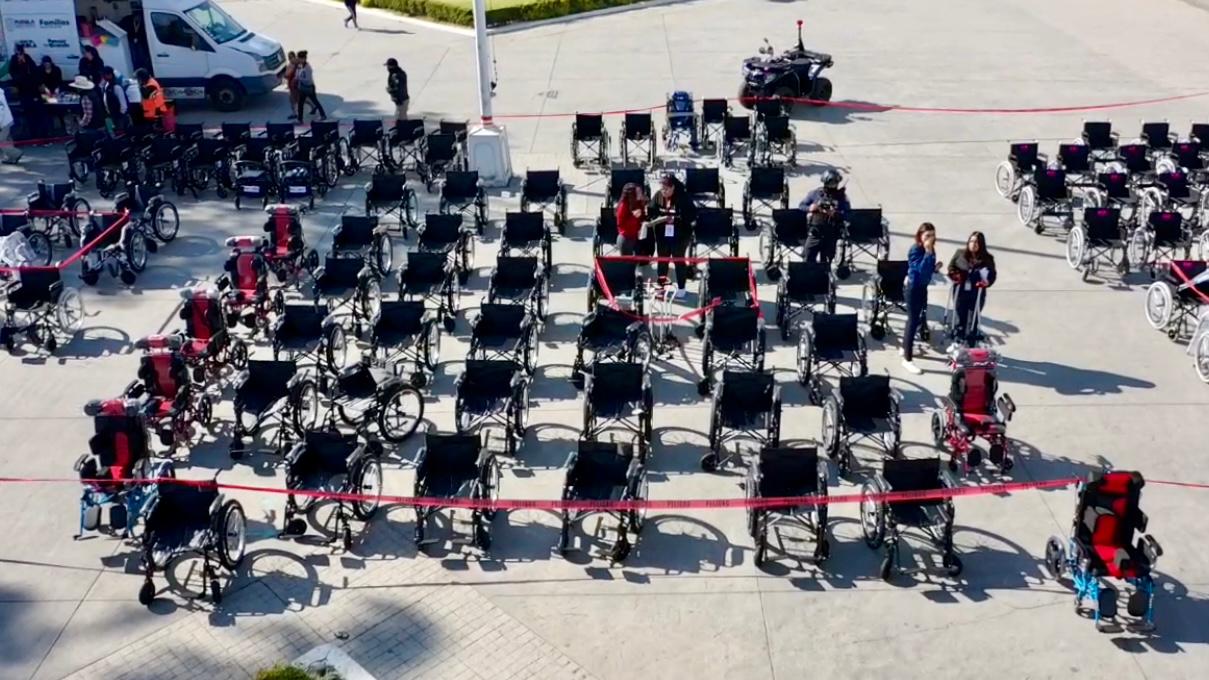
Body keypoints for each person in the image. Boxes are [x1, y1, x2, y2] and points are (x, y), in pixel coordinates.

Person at [646, 174, 696, 298]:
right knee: (662, 260)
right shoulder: (658, 196)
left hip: (680, 235)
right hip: (662, 234)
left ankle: (681, 287)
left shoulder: (683, 197)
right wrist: (659, 218)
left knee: (678, 260)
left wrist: (677, 219)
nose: (664, 192)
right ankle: (661, 286)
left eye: (666, 189)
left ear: (673, 187)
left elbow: (692, 215)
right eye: (662, 189)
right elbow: (651, 212)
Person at [902, 222, 942, 375]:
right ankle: (907, 359)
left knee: (918, 317)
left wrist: (935, 268)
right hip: (913, 288)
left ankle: (905, 346)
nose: (930, 239)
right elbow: (920, 269)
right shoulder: (916, 250)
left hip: (923, 287)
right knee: (912, 321)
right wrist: (928, 252)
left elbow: (927, 270)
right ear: (920, 236)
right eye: (927, 236)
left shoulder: (930, 250)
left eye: (932, 236)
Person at [947, 231, 997, 348]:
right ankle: (959, 340)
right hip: (961, 291)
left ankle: (971, 344)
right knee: (961, 316)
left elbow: (992, 275)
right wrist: (954, 275)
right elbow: (951, 267)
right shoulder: (960, 254)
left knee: (973, 319)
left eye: (977, 242)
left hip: (976, 293)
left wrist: (987, 282)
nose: (973, 244)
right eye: (972, 241)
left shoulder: (987, 259)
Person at [797, 169, 850, 264]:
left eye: (835, 183)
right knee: (807, 258)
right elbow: (801, 206)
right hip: (815, 233)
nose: (833, 186)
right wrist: (810, 208)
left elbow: (848, 214)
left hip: (831, 234)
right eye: (830, 183)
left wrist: (835, 213)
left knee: (827, 262)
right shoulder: (815, 194)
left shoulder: (841, 197)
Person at [615, 183, 648, 256]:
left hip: (634, 237)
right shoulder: (623, 206)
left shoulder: (637, 203)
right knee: (627, 261)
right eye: (638, 192)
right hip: (625, 239)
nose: (641, 194)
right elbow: (621, 224)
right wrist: (634, 217)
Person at [294, 51, 326, 122]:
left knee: (315, 101)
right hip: (303, 88)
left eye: (300, 58)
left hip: (309, 88)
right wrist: (297, 77)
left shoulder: (308, 68)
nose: (298, 60)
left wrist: (299, 78)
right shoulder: (300, 66)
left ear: (304, 59)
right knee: (300, 104)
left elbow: (307, 79)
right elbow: (297, 74)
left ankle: (323, 115)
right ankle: (300, 119)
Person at [99, 67, 131, 132]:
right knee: (112, 132)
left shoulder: (116, 87)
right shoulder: (106, 87)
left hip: (119, 117)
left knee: (121, 133)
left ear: (110, 75)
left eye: (104, 75)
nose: (103, 78)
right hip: (110, 116)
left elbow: (123, 104)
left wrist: (121, 115)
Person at [0, 86, 23, 165]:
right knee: (7, 139)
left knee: (1, 141)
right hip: (7, 120)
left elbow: (0, 110)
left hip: (2, 122)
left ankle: (16, 153)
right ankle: (11, 157)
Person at [284, 51, 300, 121]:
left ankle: (296, 115)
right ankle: (295, 113)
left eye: (291, 58)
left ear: (294, 57)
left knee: (295, 100)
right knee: (294, 100)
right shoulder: (293, 64)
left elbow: (287, 75)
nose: (290, 59)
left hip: (295, 86)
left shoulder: (294, 65)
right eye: (289, 58)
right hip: (293, 86)